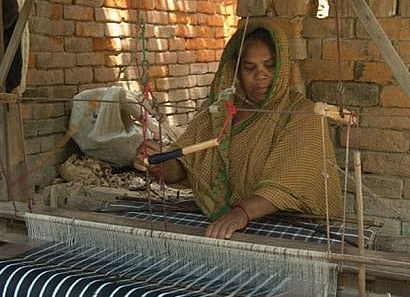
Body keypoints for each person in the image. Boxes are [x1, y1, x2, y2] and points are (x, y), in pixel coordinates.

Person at [133, 22, 343, 239]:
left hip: (291, 229)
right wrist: (158, 163)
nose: (260, 76)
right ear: (237, 71)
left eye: (269, 66)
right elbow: (184, 165)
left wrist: (242, 213)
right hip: (228, 225)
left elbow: (292, 183)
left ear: (283, 67)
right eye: (250, 68)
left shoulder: (303, 115)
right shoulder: (217, 115)